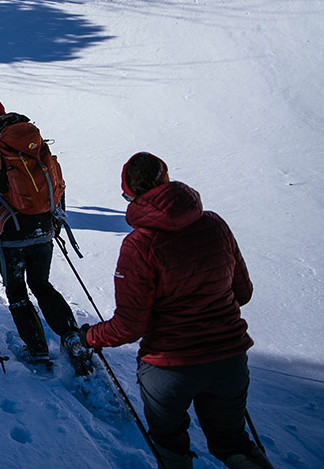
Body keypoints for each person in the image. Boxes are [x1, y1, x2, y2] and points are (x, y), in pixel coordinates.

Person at [76, 152, 271, 469]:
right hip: (229, 360)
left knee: (170, 446)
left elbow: (130, 326)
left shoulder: (140, 244)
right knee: (234, 444)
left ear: (130, 193)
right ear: (166, 179)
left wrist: (90, 337)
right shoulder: (215, 224)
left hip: (169, 367)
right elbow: (243, 293)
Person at [0, 95, 91, 375]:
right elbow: (56, 184)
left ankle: (38, 350)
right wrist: (55, 221)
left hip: (10, 234)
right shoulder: (35, 141)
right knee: (41, 284)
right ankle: (72, 337)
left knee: (17, 291)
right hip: (44, 228)